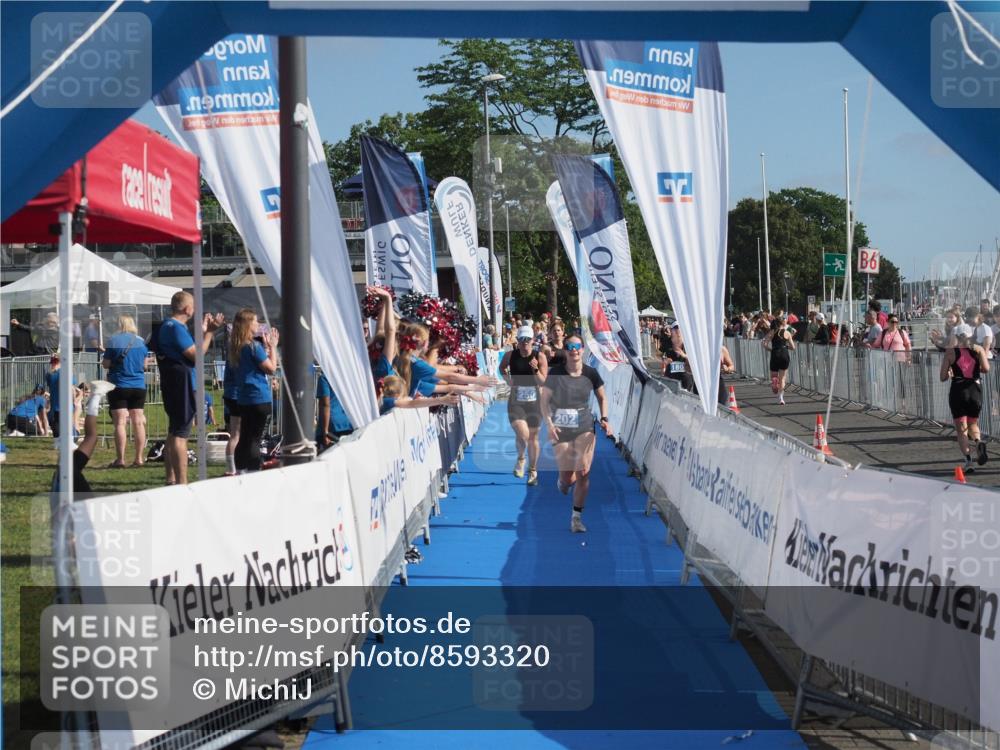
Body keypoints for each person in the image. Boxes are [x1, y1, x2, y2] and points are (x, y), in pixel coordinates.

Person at [540, 335, 611, 533]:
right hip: (561, 427)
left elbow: (602, 397)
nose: (574, 350)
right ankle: (562, 482)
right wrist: (549, 424)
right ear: (565, 350)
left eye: (577, 346)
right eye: (570, 346)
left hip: (585, 426)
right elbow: (544, 401)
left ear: (583, 349)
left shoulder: (591, 373)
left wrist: (604, 419)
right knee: (568, 478)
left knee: (583, 472)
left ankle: (576, 519)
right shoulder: (555, 373)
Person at [156, 291, 224, 485]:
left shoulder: (170, 327)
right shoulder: (175, 328)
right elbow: (197, 356)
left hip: (176, 383)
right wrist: (210, 332)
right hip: (182, 384)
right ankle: (182, 482)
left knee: (174, 431)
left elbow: (189, 349)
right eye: (193, 306)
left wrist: (203, 332)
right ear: (187, 309)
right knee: (181, 434)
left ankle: (171, 478)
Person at [231, 309, 279, 473]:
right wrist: (273, 347)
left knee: (244, 437)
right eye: (256, 322)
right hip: (259, 397)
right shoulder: (253, 346)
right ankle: (253, 471)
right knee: (255, 439)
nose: (258, 325)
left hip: (244, 398)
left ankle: (239, 469)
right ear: (248, 325)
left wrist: (265, 347)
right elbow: (271, 368)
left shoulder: (237, 346)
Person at [499, 325, 548, 485]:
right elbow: (501, 368)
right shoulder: (510, 355)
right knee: (523, 434)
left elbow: (543, 381)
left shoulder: (539, 357)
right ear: (517, 341)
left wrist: (535, 370)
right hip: (516, 401)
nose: (525, 342)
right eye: (521, 339)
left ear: (533, 340)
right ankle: (521, 459)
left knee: (533, 437)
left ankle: (533, 470)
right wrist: (508, 379)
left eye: (527, 339)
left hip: (535, 402)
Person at [51, 380, 115, 498]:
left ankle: (96, 395)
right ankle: (96, 395)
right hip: (64, 479)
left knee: (91, 437)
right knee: (91, 437)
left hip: (64, 477)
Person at [940, 324, 990, 473]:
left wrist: (949, 373)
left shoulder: (950, 352)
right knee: (973, 423)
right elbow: (986, 369)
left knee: (961, 429)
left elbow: (942, 377)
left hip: (958, 389)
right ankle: (978, 441)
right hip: (975, 390)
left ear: (956, 336)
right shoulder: (979, 349)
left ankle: (969, 461)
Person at [102, 314, 149, 468]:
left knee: (120, 423)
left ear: (119, 324)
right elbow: (145, 365)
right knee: (138, 422)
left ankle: (121, 459)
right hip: (138, 386)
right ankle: (139, 458)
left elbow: (106, 364)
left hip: (119, 385)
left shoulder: (113, 341)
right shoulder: (141, 341)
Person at [316, 367, 353, 452]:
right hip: (349, 423)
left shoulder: (324, 378)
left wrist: (325, 431)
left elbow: (325, 405)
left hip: (332, 426)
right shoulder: (350, 378)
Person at [44, 354, 77, 438]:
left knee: (56, 423)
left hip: (55, 404)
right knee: (66, 424)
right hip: (65, 404)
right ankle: (69, 439)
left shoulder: (49, 375)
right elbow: (72, 389)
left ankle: (58, 441)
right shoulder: (67, 373)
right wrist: (74, 401)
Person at [764, 316, 795, 404]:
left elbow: (764, 344)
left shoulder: (772, 332)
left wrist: (770, 349)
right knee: (783, 378)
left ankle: (774, 381)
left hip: (775, 353)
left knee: (774, 375)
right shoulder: (787, 333)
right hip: (784, 354)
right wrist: (785, 347)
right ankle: (781, 398)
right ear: (783, 323)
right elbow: (793, 347)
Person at [222, 353, 241, 476]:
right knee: (237, 434)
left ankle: (233, 467)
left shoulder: (232, 352)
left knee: (235, 434)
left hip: (231, 395)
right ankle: (233, 468)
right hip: (237, 395)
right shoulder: (240, 353)